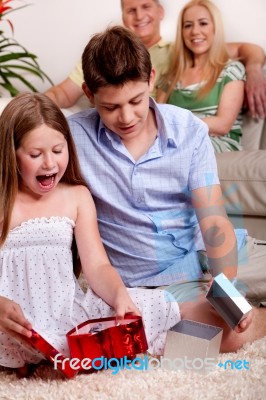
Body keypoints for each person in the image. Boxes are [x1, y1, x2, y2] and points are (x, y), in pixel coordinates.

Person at [68, 25, 266, 354]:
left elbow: (213, 220)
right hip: (151, 279)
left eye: (135, 100)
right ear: (89, 93)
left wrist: (224, 284)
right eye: (110, 107)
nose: (127, 117)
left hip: (210, 256)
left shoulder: (188, 130)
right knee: (219, 336)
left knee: (233, 301)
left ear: (151, 80)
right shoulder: (73, 138)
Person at [0, 93, 180, 376]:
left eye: (58, 150)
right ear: (11, 154)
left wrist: (120, 295)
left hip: (64, 314)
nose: (49, 163)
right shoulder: (3, 201)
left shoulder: (77, 196)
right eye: (35, 155)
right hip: (10, 324)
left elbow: (97, 266)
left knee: (156, 306)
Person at [44, 0, 266, 119]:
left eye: (146, 7)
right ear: (123, 17)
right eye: (131, 10)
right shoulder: (103, 55)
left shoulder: (182, 52)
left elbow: (247, 49)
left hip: (147, 127)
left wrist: (254, 71)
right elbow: (62, 94)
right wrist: (30, 110)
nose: (139, 16)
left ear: (160, 12)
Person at [156, 0, 245, 153]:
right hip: (175, 140)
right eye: (188, 25)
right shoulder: (170, 77)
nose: (195, 31)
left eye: (203, 23)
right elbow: (157, 120)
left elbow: (223, 124)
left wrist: (178, 126)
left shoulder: (231, 70)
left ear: (215, 28)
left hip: (217, 141)